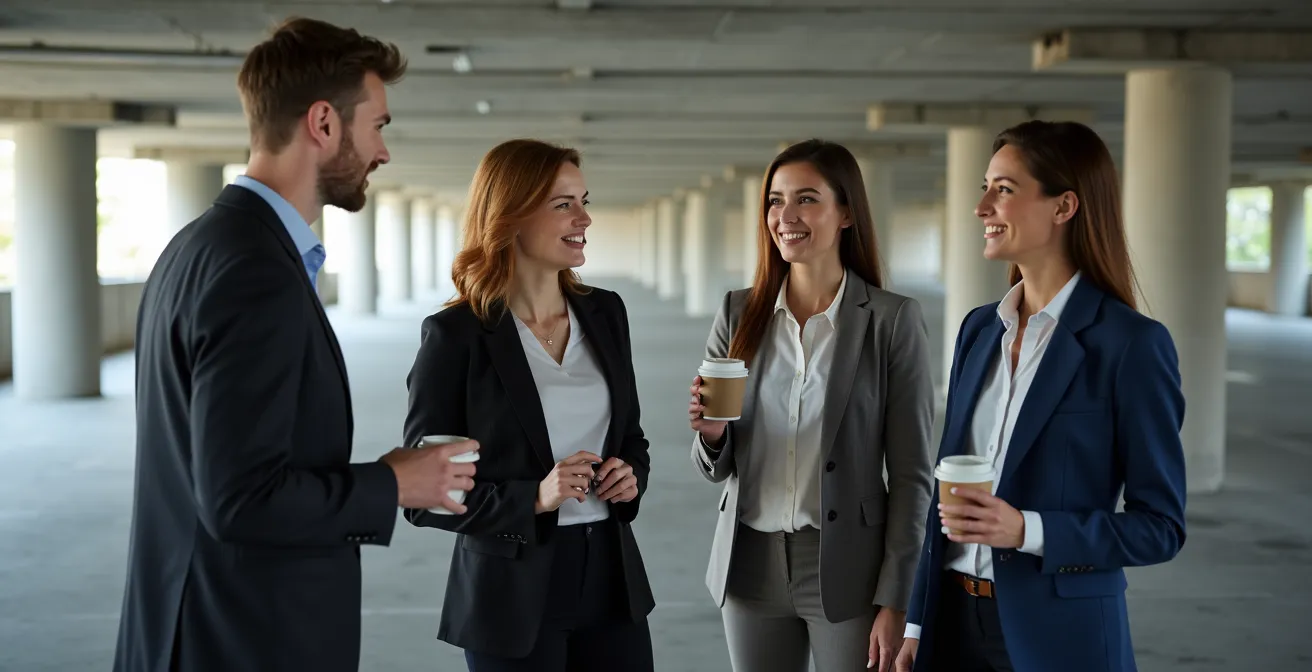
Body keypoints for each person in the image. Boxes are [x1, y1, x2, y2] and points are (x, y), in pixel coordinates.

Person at [113, 17, 478, 672]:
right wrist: (392, 485)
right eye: (379, 126)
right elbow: (240, 498)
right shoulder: (255, 268)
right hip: (243, 639)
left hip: (193, 626)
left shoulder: (196, 246)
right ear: (323, 124)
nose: (384, 152)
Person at [894, 120, 1188, 672]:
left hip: (1060, 638)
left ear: (1063, 206)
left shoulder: (1131, 345)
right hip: (952, 624)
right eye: (985, 187)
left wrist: (1026, 530)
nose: (982, 206)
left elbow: (1160, 528)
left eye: (1003, 189)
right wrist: (917, 619)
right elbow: (945, 493)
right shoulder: (979, 330)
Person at [401, 139, 656, 672]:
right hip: (509, 594)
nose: (584, 217)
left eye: (583, 200)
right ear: (510, 214)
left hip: (610, 579)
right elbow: (423, 493)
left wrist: (630, 474)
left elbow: (631, 436)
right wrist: (534, 498)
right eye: (563, 204)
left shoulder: (606, 313)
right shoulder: (456, 336)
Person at [687, 139, 936, 672]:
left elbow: (914, 475)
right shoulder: (738, 313)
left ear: (846, 212)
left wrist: (899, 598)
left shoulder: (890, 320)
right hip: (748, 563)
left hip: (849, 566)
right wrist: (712, 436)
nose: (786, 216)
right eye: (775, 201)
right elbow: (717, 467)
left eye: (806, 199)